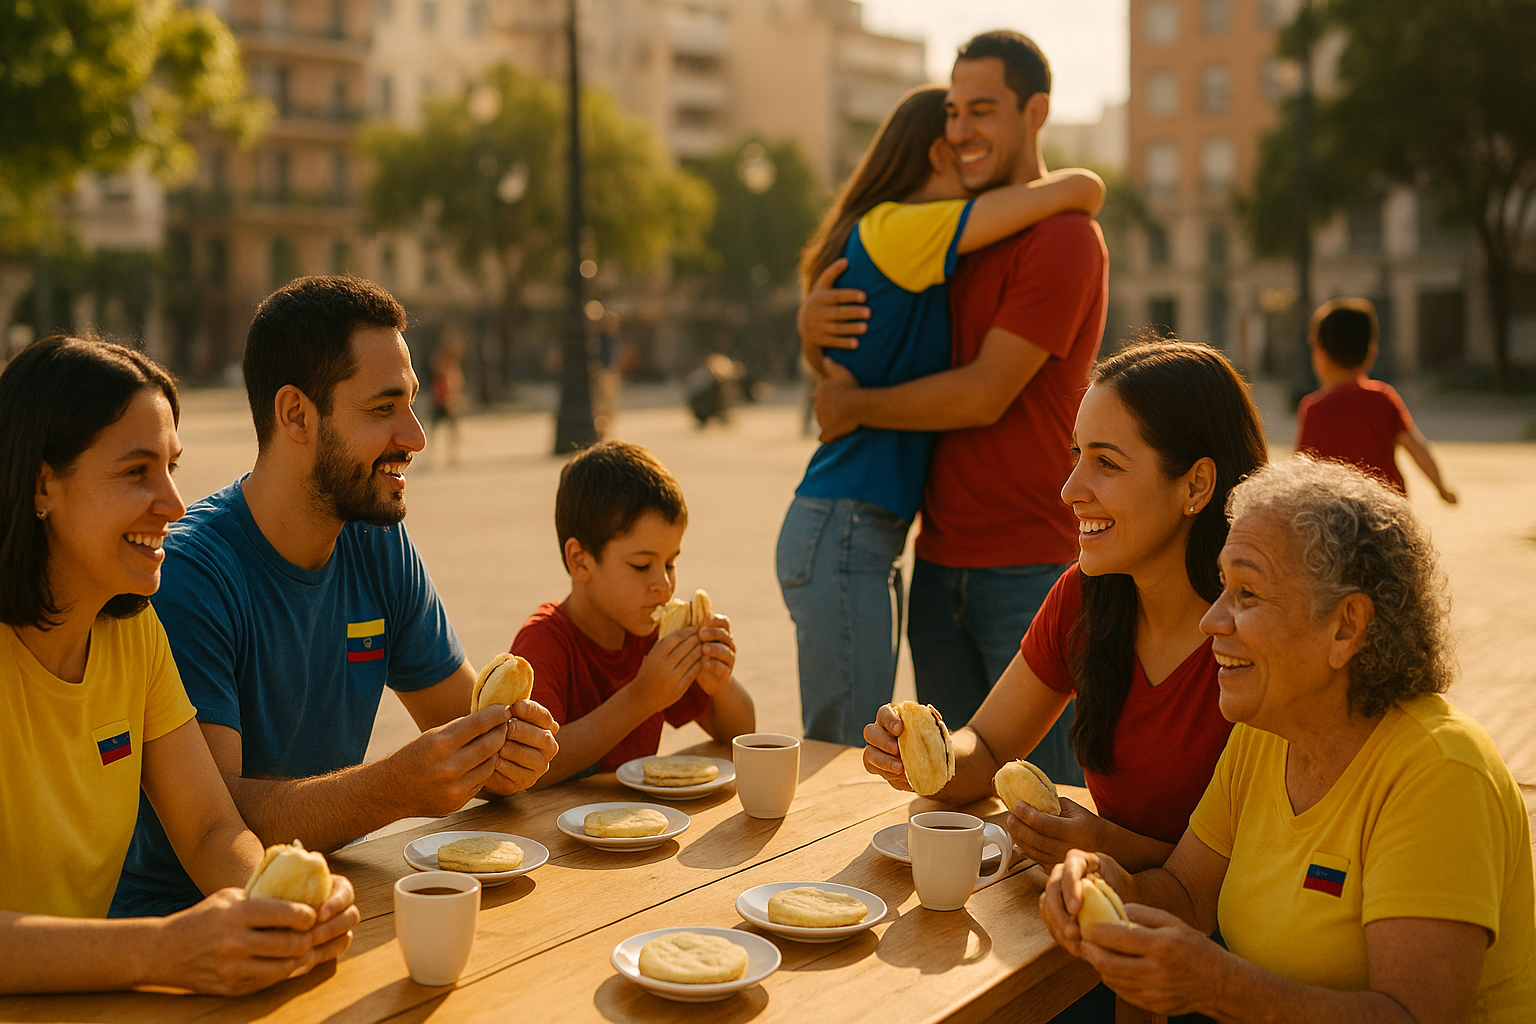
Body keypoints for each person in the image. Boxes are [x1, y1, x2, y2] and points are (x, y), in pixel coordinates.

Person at [113, 277, 559, 917]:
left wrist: (507, 752)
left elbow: (462, 725)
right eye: (383, 409)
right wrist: (395, 787)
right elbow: (221, 819)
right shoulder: (190, 573)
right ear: (295, 414)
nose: (416, 435)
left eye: (411, 402)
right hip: (181, 927)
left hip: (329, 901)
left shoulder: (377, 541)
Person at [1041, 458, 1536, 1022]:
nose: (1212, 621)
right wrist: (1107, 884)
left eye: (1247, 593)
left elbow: (1415, 1015)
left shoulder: (1442, 771)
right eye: (1223, 586)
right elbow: (1186, 893)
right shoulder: (1263, 734)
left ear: (1346, 626)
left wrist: (1219, 987)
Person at [0, 336, 358, 995]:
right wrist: (160, 951)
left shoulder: (134, 637)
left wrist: (277, 902)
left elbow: (210, 829)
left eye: (171, 466)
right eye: (137, 471)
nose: (172, 502)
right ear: (42, 482)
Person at [799, 30, 1109, 785]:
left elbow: (983, 392)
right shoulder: (950, 233)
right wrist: (809, 325)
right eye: (954, 112)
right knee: (949, 802)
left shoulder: (1064, 239)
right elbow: (867, 315)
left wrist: (857, 405)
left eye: (983, 110)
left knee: (1050, 806)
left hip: (1032, 572)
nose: (961, 129)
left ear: (1035, 112)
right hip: (937, 566)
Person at [512, 441, 755, 786]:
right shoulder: (544, 644)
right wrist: (642, 697)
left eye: (670, 563)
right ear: (580, 560)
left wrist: (719, 679)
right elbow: (531, 767)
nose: (664, 584)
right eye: (642, 566)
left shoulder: (651, 636)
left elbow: (740, 732)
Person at [1296, 297, 1457, 503]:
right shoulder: (1383, 398)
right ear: (1371, 352)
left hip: (1335, 516)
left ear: (1320, 353)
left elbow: (1300, 471)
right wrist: (1441, 487)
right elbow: (1416, 447)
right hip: (1387, 510)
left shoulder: (1313, 409)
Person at [428, 326, 466, 468]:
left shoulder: (451, 364)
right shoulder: (443, 361)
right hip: (441, 400)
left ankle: (451, 456)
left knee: (448, 430)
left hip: (446, 400)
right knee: (436, 430)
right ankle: (438, 456)